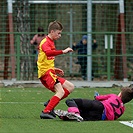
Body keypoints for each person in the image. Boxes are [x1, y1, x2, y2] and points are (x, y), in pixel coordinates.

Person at [37, 21, 74, 119]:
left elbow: (45, 59)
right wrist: (63, 51)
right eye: (58, 33)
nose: (60, 35)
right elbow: (49, 53)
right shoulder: (45, 42)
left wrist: (54, 69)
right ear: (52, 31)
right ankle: (46, 111)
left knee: (70, 87)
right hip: (46, 73)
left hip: (50, 71)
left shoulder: (51, 42)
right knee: (60, 92)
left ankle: (50, 103)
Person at [54, 86, 133, 122]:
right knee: (82, 115)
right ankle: (69, 116)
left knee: (70, 101)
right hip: (100, 117)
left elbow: (98, 98)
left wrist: (96, 96)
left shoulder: (114, 96)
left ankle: (74, 113)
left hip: (100, 106)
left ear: (121, 94)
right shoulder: (122, 110)